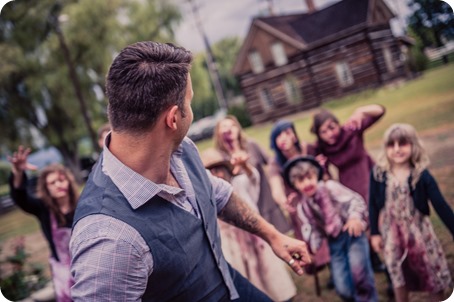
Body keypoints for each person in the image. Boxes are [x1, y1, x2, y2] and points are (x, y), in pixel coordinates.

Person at [70, 41, 311, 302]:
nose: (192, 111)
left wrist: (272, 235)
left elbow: (214, 193)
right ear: (173, 118)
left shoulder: (182, 149)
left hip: (231, 286)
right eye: (190, 101)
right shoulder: (110, 241)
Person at [369, 123, 454, 302]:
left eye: (403, 143)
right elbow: (373, 205)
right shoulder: (378, 174)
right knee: (398, 271)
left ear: (413, 145)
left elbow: (440, 205)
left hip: (418, 231)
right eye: (391, 145)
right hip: (392, 233)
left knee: (430, 269)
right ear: (385, 148)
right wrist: (375, 234)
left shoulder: (421, 175)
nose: (397, 149)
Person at [201, 148, 297, 301]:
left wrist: (245, 166)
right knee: (250, 283)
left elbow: (253, 178)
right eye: (210, 171)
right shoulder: (205, 198)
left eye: (218, 169)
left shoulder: (238, 184)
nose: (216, 175)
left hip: (257, 240)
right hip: (234, 247)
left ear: (226, 169)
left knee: (272, 278)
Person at [284, 155, 378, 302]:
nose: (307, 183)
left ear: (316, 175)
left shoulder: (330, 188)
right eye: (301, 180)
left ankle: (368, 298)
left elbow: (356, 200)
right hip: (334, 243)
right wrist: (313, 247)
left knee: (360, 275)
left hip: (352, 235)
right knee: (342, 288)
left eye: (309, 177)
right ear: (295, 184)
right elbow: (311, 229)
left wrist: (354, 218)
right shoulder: (304, 206)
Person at [311, 105, 388, 276]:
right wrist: (322, 167)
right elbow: (324, 179)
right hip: (350, 188)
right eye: (323, 131)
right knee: (363, 223)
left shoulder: (351, 130)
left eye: (332, 127)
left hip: (370, 178)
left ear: (338, 124)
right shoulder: (323, 149)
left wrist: (361, 111)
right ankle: (375, 260)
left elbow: (380, 111)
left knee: (382, 221)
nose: (329, 134)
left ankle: (391, 267)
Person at [8, 146, 80, 302]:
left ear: (68, 180)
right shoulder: (43, 209)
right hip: (63, 275)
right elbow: (21, 199)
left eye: (61, 180)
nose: (58, 184)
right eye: (52, 182)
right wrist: (19, 173)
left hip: (86, 269)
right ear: (46, 188)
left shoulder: (82, 206)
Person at [269, 120, 331, 282]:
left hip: (318, 196)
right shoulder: (275, 162)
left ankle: (334, 264)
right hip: (297, 204)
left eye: (288, 132)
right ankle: (320, 263)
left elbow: (324, 173)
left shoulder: (308, 148)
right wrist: (283, 201)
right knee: (308, 237)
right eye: (279, 135)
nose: (284, 137)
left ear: (294, 134)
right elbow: (276, 187)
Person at [213, 115, 291, 234]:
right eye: (224, 126)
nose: (229, 129)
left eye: (233, 125)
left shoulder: (251, 146)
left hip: (266, 202)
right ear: (218, 133)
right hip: (244, 208)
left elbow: (271, 163)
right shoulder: (218, 158)